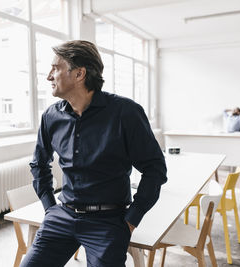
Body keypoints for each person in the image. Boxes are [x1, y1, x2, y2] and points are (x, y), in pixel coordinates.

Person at [21, 40, 167, 267]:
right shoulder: (51, 116)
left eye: (55, 68)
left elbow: (155, 169)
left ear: (79, 74)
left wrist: (131, 220)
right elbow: (39, 164)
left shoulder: (125, 113)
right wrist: (50, 208)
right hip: (62, 216)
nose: (49, 76)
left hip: (108, 222)